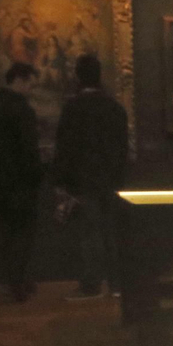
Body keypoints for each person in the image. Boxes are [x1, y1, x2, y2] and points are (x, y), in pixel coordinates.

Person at [53, 55, 129, 300]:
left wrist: (60, 181)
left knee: (89, 233)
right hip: (112, 179)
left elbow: (65, 148)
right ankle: (117, 284)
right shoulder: (115, 108)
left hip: (83, 180)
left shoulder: (73, 108)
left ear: (78, 76)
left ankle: (91, 285)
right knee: (113, 232)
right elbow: (122, 148)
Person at [0, 63, 45, 302]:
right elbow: (28, 150)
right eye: (30, 84)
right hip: (21, 181)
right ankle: (18, 282)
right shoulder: (22, 110)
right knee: (23, 233)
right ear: (20, 80)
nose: (31, 90)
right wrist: (37, 176)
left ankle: (9, 280)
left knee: (5, 232)